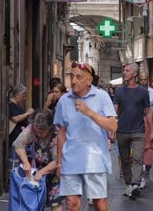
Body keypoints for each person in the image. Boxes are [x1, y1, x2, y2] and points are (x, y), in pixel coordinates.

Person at [54, 62, 117, 211]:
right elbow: (61, 133)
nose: (73, 81)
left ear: (89, 80)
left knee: (100, 204)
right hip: (70, 159)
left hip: (95, 159)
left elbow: (113, 126)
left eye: (79, 77)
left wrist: (89, 112)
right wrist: (59, 161)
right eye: (72, 76)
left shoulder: (102, 96)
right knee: (71, 203)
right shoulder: (64, 100)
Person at [113, 63, 153, 199]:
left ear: (135, 74)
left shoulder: (143, 92)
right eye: (124, 70)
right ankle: (129, 183)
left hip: (138, 131)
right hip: (122, 131)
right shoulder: (119, 91)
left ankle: (135, 183)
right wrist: (111, 129)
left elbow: (148, 112)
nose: (124, 73)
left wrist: (152, 131)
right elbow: (114, 112)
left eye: (127, 70)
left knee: (138, 158)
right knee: (125, 160)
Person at [12, 109, 64, 210]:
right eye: (36, 131)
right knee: (34, 202)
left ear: (49, 128)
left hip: (55, 170)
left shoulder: (57, 133)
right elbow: (18, 144)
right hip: (35, 170)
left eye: (42, 132)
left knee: (56, 201)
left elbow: (58, 158)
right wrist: (26, 162)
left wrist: (42, 172)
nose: (38, 134)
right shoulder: (31, 129)